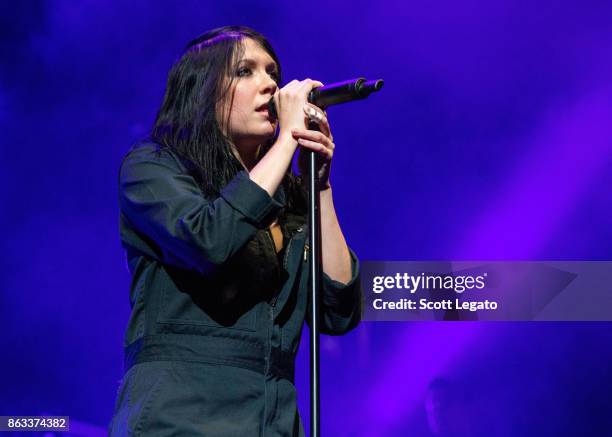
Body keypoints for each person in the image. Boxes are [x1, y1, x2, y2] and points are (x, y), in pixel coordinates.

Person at [108, 25, 363, 436]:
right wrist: (286, 143)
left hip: (273, 421)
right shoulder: (153, 167)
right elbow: (207, 240)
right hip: (180, 418)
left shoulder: (289, 197)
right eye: (246, 71)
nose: (270, 85)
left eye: (273, 72)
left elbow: (339, 311)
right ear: (203, 91)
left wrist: (319, 185)